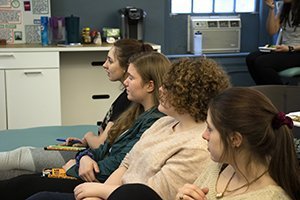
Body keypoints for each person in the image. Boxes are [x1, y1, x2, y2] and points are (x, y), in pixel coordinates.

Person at [27, 57, 231, 200]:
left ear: (188, 96)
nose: (161, 90)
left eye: (168, 87)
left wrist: (100, 192)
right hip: (110, 192)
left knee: (38, 194)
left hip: (124, 196)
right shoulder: (164, 123)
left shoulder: (197, 145)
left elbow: (153, 193)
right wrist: (98, 192)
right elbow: (126, 164)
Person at [0, 51, 170, 199]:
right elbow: (104, 149)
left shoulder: (152, 123)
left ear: (149, 86)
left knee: (24, 185)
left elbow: (118, 164)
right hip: (87, 169)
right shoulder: (134, 112)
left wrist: (74, 167)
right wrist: (84, 158)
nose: (125, 82)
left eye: (131, 78)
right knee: (20, 180)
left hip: (95, 179)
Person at [174, 88, 300, 200]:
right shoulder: (219, 166)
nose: (204, 135)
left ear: (235, 139)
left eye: (210, 129)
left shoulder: (272, 197)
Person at [246, 0, 300, 85]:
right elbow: (272, 31)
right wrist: (271, 9)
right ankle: (265, 90)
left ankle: (278, 93)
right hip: (286, 49)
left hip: (296, 51)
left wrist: (290, 48)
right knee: (251, 58)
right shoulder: (284, 6)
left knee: (262, 63)